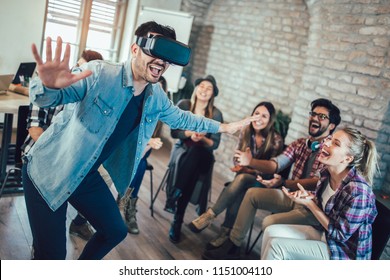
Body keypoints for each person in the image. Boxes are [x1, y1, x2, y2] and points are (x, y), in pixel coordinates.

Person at [24, 21, 259, 260]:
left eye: (167, 57)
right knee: (50, 257)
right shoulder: (99, 73)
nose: (161, 61)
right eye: (154, 50)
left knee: (115, 231)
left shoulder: (156, 96)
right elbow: (50, 97)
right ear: (135, 50)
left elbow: (183, 118)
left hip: (86, 175)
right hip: (49, 170)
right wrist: (48, 86)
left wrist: (224, 127)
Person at [202, 98, 341, 259]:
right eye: (313, 114)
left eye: (322, 116)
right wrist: (251, 162)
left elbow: (316, 181)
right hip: (291, 197)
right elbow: (275, 165)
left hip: (310, 208)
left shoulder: (329, 152)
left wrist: (284, 182)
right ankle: (233, 245)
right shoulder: (300, 144)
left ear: (331, 126)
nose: (315, 118)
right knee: (252, 194)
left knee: (268, 221)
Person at [21, 49, 104, 242]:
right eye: (79, 67)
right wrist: (62, 157)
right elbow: (34, 130)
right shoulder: (51, 90)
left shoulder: (89, 97)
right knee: (50, 242)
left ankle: (79, 223)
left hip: (70, 164)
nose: (79, 74)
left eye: (86, 71)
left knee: (104, 179)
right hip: (41, 159)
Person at [261, 127, 378, 260]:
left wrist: (310, 204)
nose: (326, 143)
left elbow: (340, 235)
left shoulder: (359, 191)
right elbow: (328, 207)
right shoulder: (326, 174)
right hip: (325, 235)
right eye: (330, 139)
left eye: (336, 143)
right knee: (270, 231)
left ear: (347, 159)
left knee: (277, 247)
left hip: (342, 251)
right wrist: (309, 197)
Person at [189, 101, 284, 249]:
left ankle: (210, 216)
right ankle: (225, 233)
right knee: (240, 188)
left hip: (263, 182)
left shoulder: (276, 140)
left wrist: (248, 167)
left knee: (241, 179)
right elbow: (237, 157)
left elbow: (270, 169)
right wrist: (241, 165)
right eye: (256, 113)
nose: (258, 118)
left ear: (270, 120)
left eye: (264, 116)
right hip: (244, 178)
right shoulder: (246, 131)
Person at [165, 75, 223, 243]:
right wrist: (190, 133)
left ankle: (175, 194)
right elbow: (174, 133)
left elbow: (214, 145)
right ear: (196, 88)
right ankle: (177, 219)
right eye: (202, 86)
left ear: (213, 94)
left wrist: (202, 138)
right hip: (183, 149)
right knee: (190, 168)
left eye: (209, 88)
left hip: (204, 154)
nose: (204, 90)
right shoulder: (184, 105)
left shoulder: (216, 114)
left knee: (197, 154)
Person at [121, 76, 167, 234]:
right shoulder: (133, 106)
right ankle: (124, 201)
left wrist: (148, 144)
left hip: (140, 155)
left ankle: (127, 203)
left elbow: (141, 155)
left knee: (140, 164)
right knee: (137, 164)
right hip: (122, 150)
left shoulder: (158, 117)